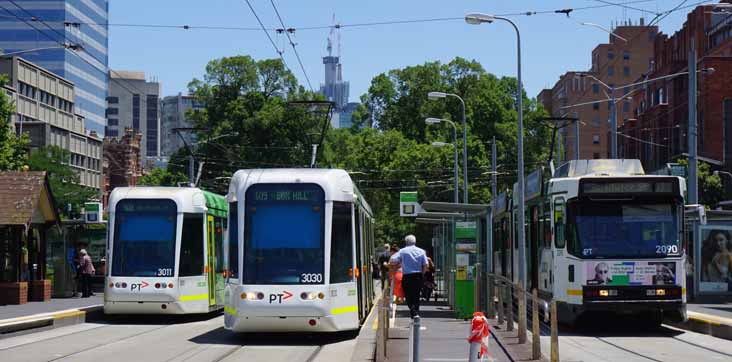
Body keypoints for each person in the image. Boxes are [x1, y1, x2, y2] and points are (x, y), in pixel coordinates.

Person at [390, 235, 429, 318]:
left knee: (408, 295)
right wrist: (422, 274)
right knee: (416, 295)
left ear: (406, 242)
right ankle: (415, 313)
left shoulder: (402, 251)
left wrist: (399, 261)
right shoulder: (421, 251)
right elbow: (426, 265)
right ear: (415, 242)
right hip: (418, 275)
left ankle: (413, 311)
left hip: (407, 276)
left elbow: (392, 260)